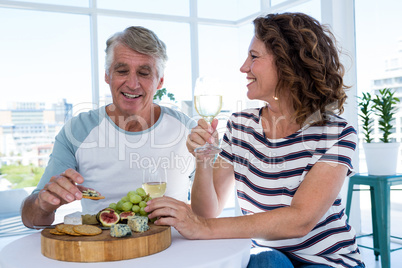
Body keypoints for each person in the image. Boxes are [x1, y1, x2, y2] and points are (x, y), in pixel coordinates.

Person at [145, 13, 365, 268]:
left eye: (254, 56)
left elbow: (300, 220)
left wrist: (204, 228)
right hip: (270, 259)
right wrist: (203, 160)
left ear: (288, 63)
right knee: (267, 260)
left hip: (327, 261)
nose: (243, 67)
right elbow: (206, 212)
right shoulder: (241, 125)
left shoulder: (336, 133)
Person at [21, 26, 195, 228]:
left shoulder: (187, 130)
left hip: (174, 251)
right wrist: (44, 205)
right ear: (107, 75)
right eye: (122, 71)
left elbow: (209, 210)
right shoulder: (77, 131)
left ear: (160, 81)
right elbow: (30, 219)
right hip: (102, 253)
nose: (132, 84)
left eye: (144, 73)